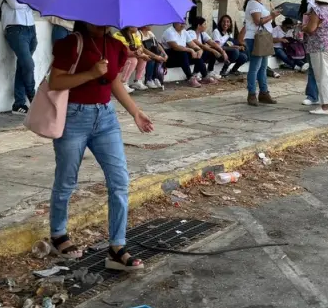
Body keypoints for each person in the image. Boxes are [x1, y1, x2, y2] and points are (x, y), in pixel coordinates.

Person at [47, 22, 155, 271]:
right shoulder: (71, 43)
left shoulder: (116, 45)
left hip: (106, 118)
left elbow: (114, 81)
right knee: (66, 181)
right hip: (74, 118)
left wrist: (135, 112)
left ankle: (117, 246)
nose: (102, 21)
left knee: (119, 181)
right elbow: (56, 81)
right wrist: (90, 74)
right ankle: (58, 234)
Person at [0, 0, 39, 116]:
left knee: (23, 65)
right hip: (15, 28)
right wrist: (29, 1)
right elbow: (14, 4)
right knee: (28, 64)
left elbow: (36, 2)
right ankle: (34, 97)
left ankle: (19, 104)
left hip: (30, 28)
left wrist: (26, 0)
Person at [244, 0, 279, 107]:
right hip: (255, 38)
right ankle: (252, 93)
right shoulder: (253, 4)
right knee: (256, 66)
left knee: (262, 66)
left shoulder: (257, 3)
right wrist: (272, 16)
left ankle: (263, 92)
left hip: (261, 37)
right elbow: (258, 21)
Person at [162, 21, 213, 87]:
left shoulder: (184, 32)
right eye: (180, 23)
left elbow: (192, 44)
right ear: (175, 22)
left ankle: (205, 76)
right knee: (182, 53)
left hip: (182, 58)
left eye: (184, 23)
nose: (183, 25)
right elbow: (175, 47)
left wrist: (199, 50)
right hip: (169, 58)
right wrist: (190, 50)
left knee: (198, 52)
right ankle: (190, 78)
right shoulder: (169, 32)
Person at [113, 27, 148, 92]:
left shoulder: (134, 35)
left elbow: (140, 47)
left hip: (127, 58)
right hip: (117, 60)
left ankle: (137, 81)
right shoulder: (119, 36)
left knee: (142, 59)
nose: (137, 27)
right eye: (135, 25)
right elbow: (127, 53)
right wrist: (141, 54)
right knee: (132, 60)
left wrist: (139, 52)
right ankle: (123, 83)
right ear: (129, 27)